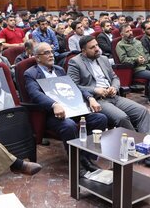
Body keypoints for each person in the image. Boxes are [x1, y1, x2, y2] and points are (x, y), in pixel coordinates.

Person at [67, 36, 150, 160]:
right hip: (97, 100)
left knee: (142, 111)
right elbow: (73, 85)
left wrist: (114, 87)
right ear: (83, 51)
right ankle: (138, 149)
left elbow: (115, 77)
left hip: (113, 96)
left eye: (97, 45)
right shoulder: (75, 62)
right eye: (92, 47)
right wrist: (95, 90)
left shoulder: (104, 59)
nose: (97, 49)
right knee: (122, 117)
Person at [24, 43, 107, 173]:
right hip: (51, 114)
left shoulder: (59, 70)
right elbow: (34, 94)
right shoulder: (31, 73)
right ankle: (78, 166)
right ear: (37, 58)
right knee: (68, 126)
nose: (51, 55)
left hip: (73, 109)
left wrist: (90, 98)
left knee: (100, 118)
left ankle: (87, 158)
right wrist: (54, 104)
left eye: (51, 51)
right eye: (46, 53)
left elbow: (76, 87)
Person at [116, 25, 150, 107]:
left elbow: (146, 54)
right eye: (127, 31)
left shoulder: (137, 42)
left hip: (148, 65)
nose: (130, 32)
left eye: (130, 30)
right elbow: (123, 60)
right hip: (136, 69)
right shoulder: (120, 45)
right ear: (122, 34)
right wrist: (136, 59)